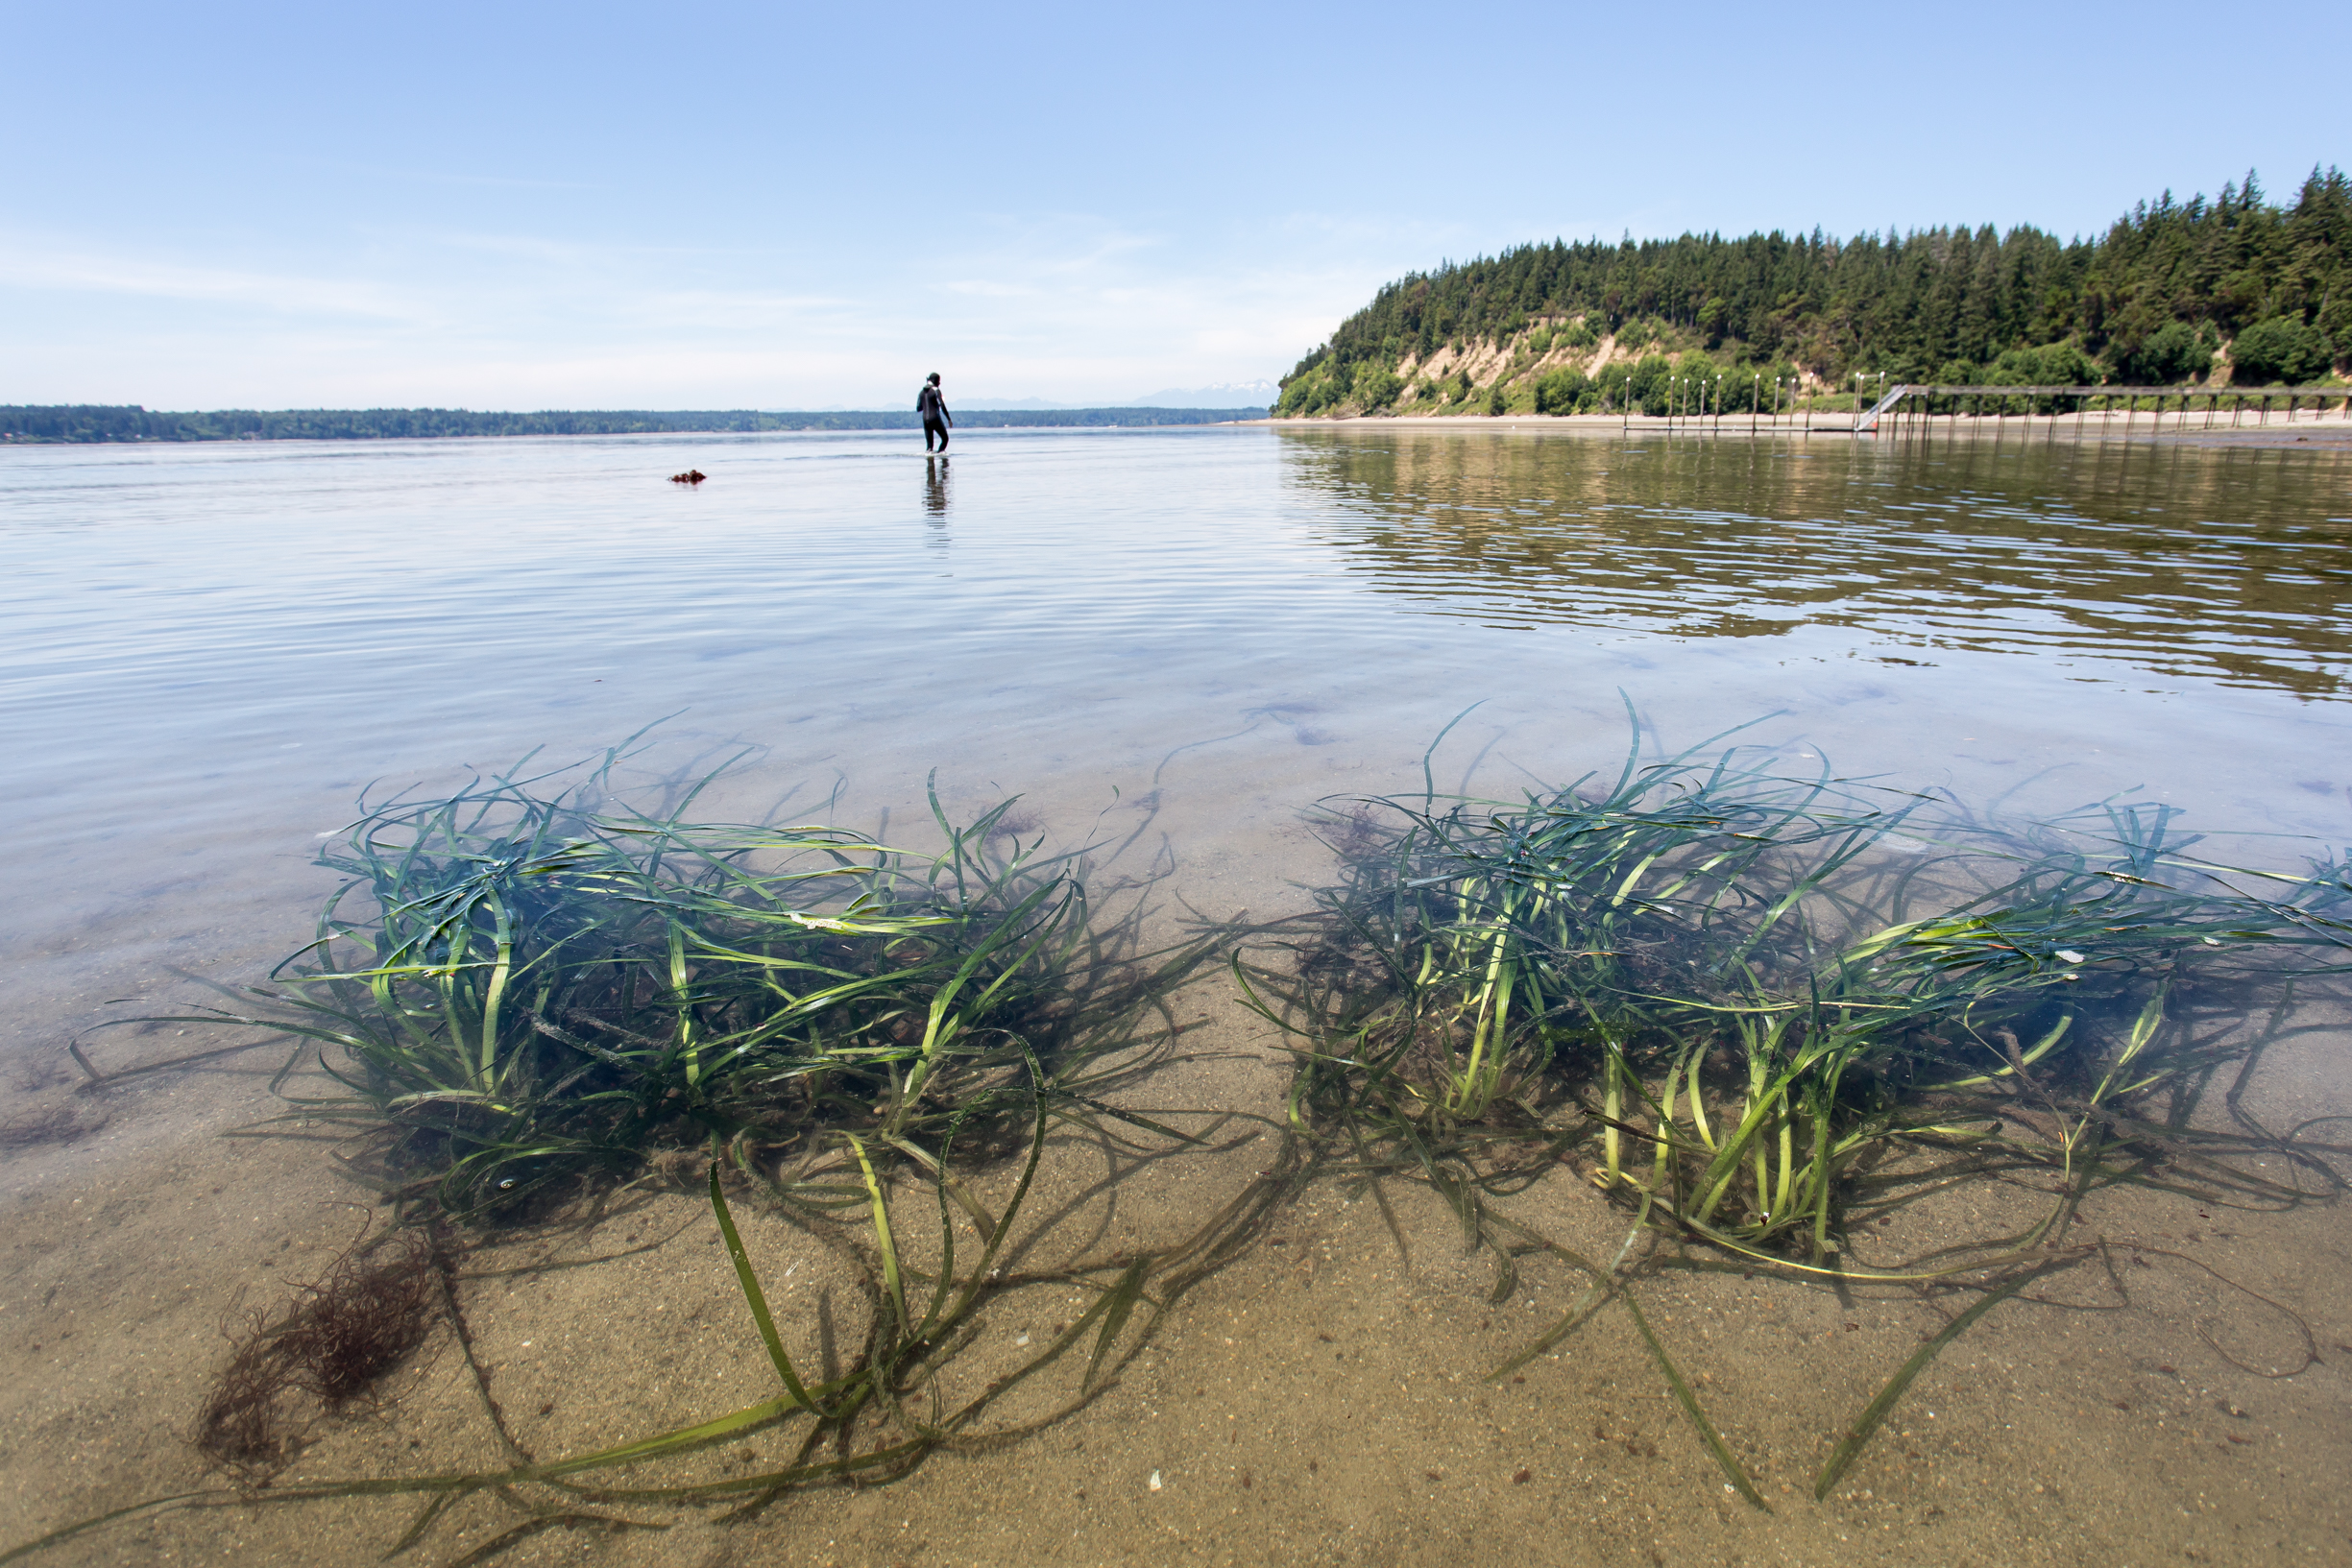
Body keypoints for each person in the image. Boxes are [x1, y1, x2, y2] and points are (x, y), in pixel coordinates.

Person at [917, 373, 952, 452]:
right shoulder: (936, 390)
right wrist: (949, 419)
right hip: (935, 418)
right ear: (935, 381)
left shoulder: (921, 392)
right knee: (945, 438)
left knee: (929, 447)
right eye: (939, 381)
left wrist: (926, 403)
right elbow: (942, 405)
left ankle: (930, 462)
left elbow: (918, 408)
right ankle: (941, 457)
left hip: (925, 419)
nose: (939, 383)